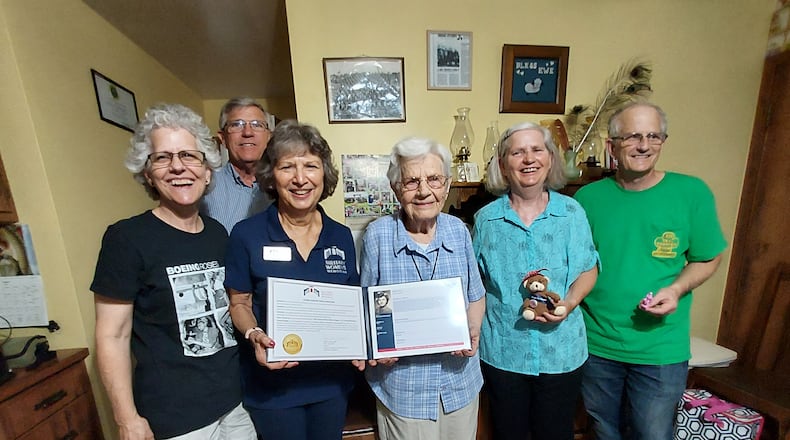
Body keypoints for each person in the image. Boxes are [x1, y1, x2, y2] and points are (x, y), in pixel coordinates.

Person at [91, 103, 256, 440]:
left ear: (207, 171)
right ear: (147, 173)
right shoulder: (126, 238)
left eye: (189, 156)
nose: (178, 166)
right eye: (163, 157)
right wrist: (126, 419)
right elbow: (112, 336)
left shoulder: (217, 234)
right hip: (175, 419)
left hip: (234, 406)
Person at [574, 101, 727, 440]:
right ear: (612, 146)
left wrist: (675, 289)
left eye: (653, 136)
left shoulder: (691, 193)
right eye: (633, 136)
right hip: (596, 345)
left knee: (652, 434)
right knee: (603, 431)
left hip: (659, 348)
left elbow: (707, 257)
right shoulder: (586, 199)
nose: (644, 145)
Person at [225, 120, 360, 440]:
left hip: (331, 384)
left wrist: (361, 340)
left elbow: (352, 302)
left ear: (324, 174)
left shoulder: (341, 236)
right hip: (273, 389)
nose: (300, 179)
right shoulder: (246, 234)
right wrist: (254, 334)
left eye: (310, 166)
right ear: (272, 175)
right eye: (287, 167)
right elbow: (239, 302)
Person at [472, 122, 599, 440]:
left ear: (550, 158)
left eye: (536, 150)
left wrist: (569, 303)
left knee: (554, 433)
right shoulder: (486, 220)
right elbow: (474, 283)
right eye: (517, 152)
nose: (528, 159)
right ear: (503, 164)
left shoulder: (572, 212)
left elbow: (589, 268)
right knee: (507, 433)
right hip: (503, 351)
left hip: (561, 352)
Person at [359, 137, 484, 440]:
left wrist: (472, 331)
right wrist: (377, 346)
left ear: (447, 185)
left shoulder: (459, 231)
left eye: (434, 179)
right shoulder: (377, 235)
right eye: (411, 181)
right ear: (395, 188)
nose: (424, 191)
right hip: (404, 388)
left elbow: (476, 296)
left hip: (459, 383)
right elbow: (366, 308)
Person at [200, 97, 273, 233]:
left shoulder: (283, 184)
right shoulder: (204, 187)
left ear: (268, 136)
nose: (248, 133)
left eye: (257, 124)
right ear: (223, 138)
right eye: (237, 125)